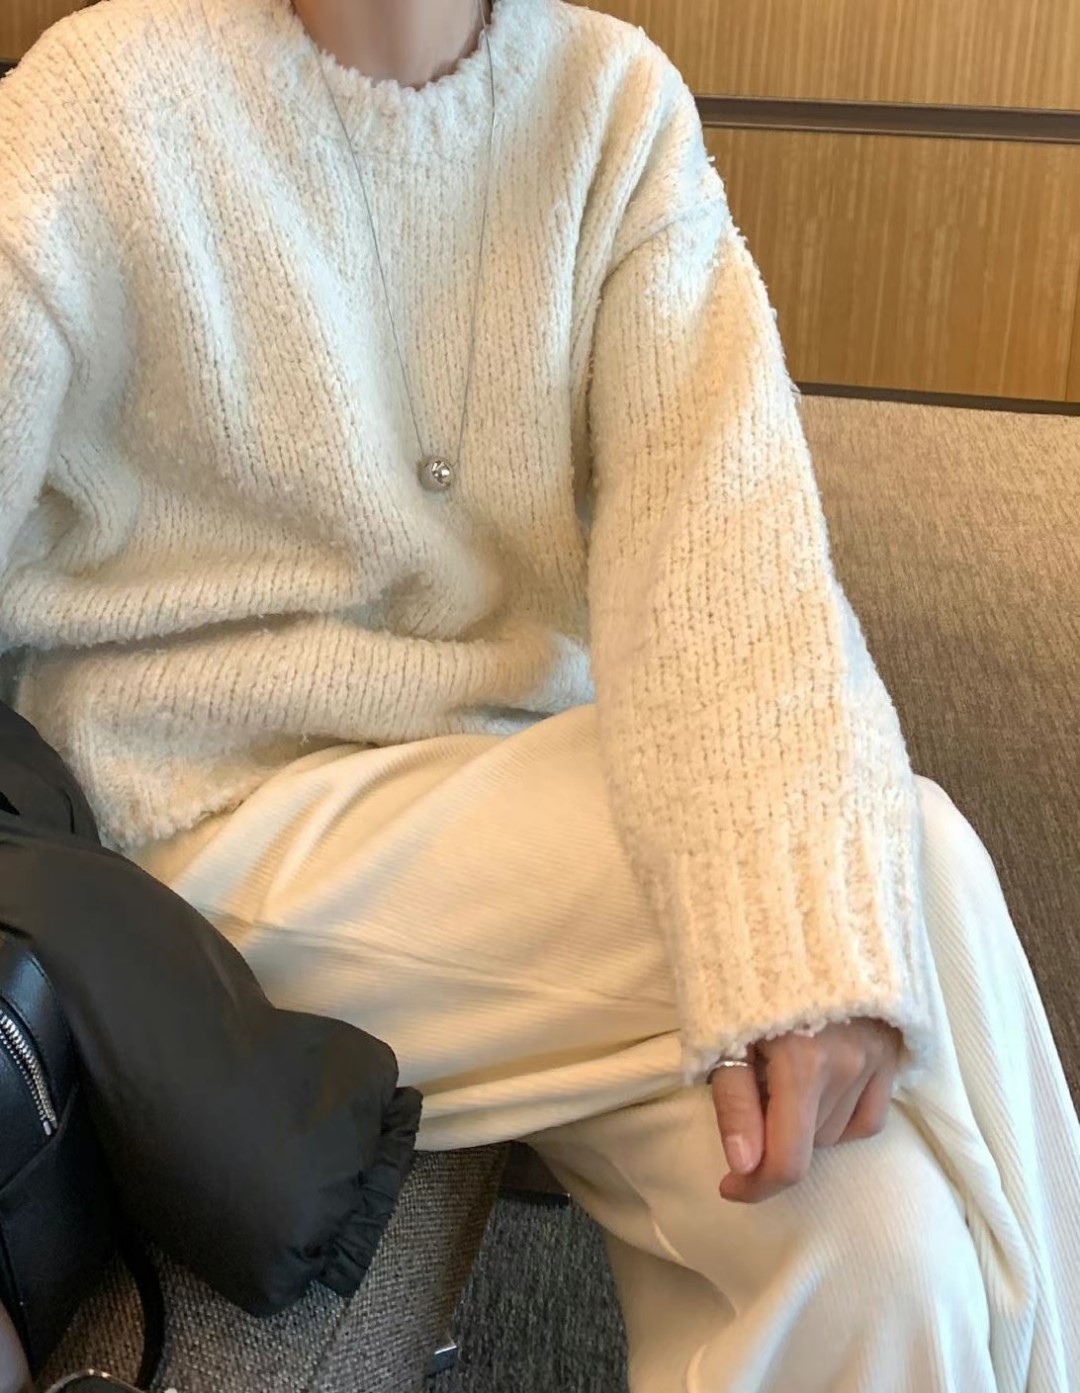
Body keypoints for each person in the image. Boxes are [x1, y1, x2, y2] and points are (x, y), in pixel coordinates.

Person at [0, 0, 1077, 1388]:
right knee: (908, 859)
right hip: (210, 835)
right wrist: (811, 922)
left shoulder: (612, 105)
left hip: (528, 835)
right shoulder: (101, 102)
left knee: (881, 1249)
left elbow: (729, 550)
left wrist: (806, 929)